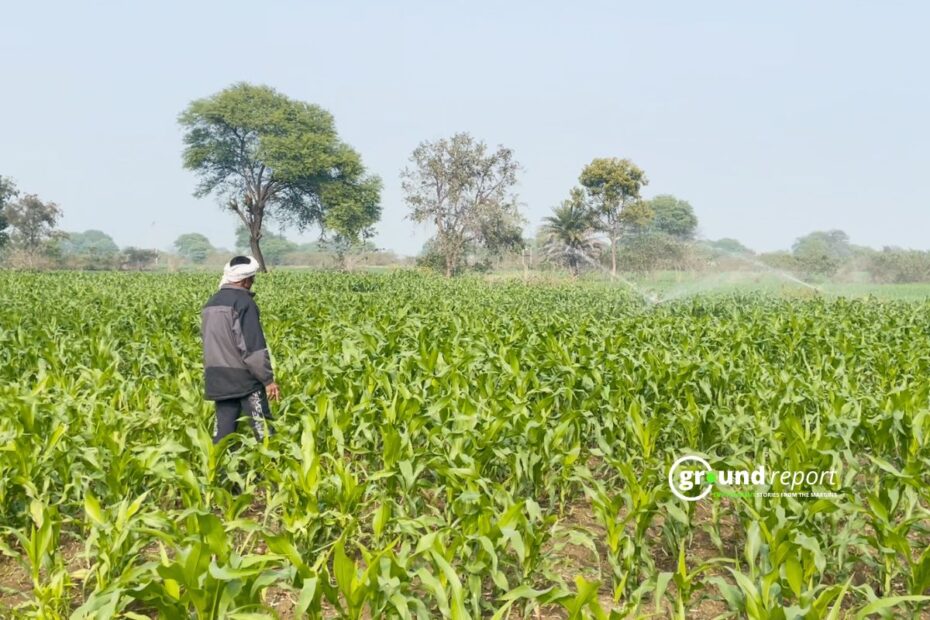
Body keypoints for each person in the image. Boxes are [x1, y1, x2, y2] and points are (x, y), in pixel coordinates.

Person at [201, 256, 281, 448]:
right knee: (263, 430)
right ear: (244, 281)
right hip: (244, 379)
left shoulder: (211, 303)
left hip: (217, 377)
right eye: (252, 279)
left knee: (223, 435)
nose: (253, 283)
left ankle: (218, 473)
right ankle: (273, 471)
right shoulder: (244, 303)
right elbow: (253, 348)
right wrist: (268, 380)